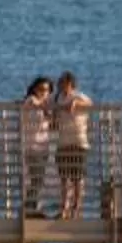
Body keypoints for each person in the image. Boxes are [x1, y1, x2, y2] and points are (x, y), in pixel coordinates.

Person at [49, 70, 93, 217]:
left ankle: (76, 207)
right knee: (63, 177)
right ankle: (64, 206)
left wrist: (75, 102)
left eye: (64, 83)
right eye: (60, 83)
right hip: (63, 142)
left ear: (71, 84)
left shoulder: (78, 96)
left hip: (78, 141)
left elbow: (89, 103)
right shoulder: (57, 98)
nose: (62, 85)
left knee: (77, 177)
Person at [19, 76, 54, 214]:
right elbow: (34, 105)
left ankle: (32, 206)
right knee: (36, 178)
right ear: (35, 89)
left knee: (38, 179)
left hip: (43, 146)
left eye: (47, 90)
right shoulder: (31, 100)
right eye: (41, 89)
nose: (44, 92)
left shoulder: (46, 106)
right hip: (32, 146)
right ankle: (29, 207)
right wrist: (46, 106)